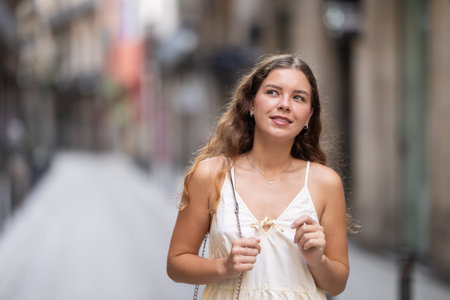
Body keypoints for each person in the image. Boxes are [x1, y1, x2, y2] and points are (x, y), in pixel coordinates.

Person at [167, 54, 349, 299]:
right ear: (251, 104)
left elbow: (337, 284)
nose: (285, 104)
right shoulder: (211, 174)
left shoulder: (325, 182)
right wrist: (224, 266)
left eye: (298, 98)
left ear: (308, 116)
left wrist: (317, 260)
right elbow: (176, 264)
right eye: (273, 92)